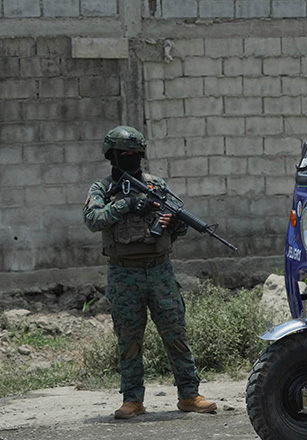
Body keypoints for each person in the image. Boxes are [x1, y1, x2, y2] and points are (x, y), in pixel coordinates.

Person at [83, 126, 217, 419]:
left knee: (175, 334)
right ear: (112, 156)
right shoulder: (102, 189)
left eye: (136, 153)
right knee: (129, 339)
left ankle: (189, 395)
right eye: (125, 154)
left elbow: (178, 225)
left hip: (159, 272)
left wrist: (172, 224)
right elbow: (93, 219)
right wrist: (127, 204)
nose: (132, 158)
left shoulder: (157, 185)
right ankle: (133, 400)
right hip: (124, 274)